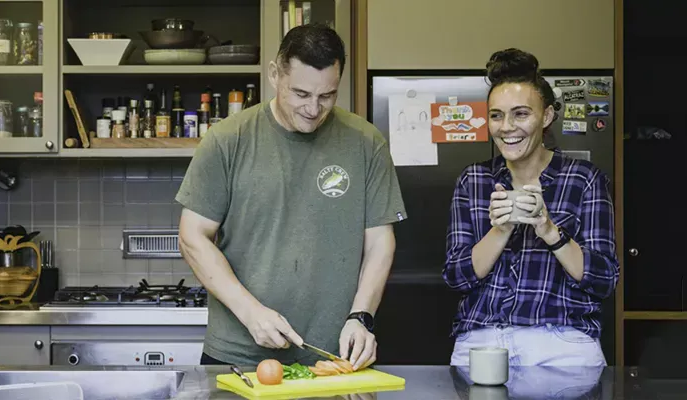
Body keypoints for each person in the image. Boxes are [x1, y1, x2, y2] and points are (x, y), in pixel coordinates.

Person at [176, 23, 407, 369]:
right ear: (275, 75)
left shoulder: (366, 143)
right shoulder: (227, 140)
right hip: (238, 356)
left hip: (334, 360)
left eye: (327, 95)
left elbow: (380, 242)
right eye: (301, 94)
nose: (313, 109)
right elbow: (193, 236)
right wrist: (250, 311)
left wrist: (362, 316)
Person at [442, 48, 619, 366]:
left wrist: (550, 230)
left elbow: (604, 281)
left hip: (563, 339)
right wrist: (501, 229)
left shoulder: (584, 179)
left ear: (547, 116)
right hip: (483, 339)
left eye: (521, 114)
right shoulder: (473, 180)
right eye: (496, 115)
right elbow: (456, 277)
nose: (506, 127)